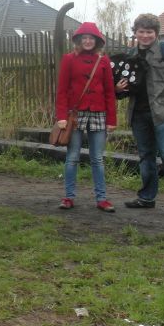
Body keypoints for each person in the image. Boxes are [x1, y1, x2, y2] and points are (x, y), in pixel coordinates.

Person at [116, 14, 164, 215]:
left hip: (163, 113)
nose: (145, 35)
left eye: (149, 32)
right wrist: (118, 89)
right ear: (135, 33)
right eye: (141, 31)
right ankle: (146, 198)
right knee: (146, 157)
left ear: (156, 33)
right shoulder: (131, 55)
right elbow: (124, 89)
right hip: (138, 114)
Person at [55, 22, 117, 212]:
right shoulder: (68, 59)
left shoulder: (103, 61)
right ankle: (68, 197)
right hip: (75, 115)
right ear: (79, 40)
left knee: (97, 158)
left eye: (91, 38)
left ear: (97, 41)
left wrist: (112, 119)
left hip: (98, 113)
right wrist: (61, 116)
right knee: (72, 157)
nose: (88, 41)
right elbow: (62, 90)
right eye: (84, 38)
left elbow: (109, 91)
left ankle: (102, 199)